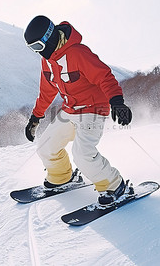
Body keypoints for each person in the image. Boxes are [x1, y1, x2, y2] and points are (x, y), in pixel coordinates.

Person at [23, 15, 133, 205]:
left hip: (93, 109)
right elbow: (46, 92)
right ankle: (62, 177)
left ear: (49, 38)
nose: (38, 53)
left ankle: (115, 186)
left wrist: (117, 102)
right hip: (70, 111)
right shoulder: (47, 61)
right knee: (45, 146)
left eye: (38, 47)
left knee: (82, 154)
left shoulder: (78, 53)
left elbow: (104, 76)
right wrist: (35, 117)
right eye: (33, 49)